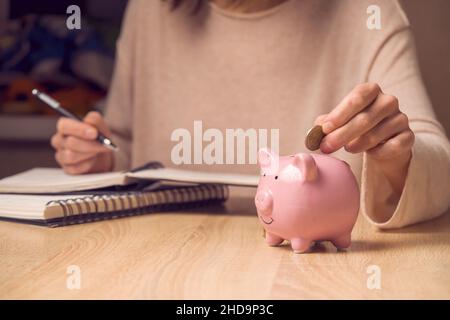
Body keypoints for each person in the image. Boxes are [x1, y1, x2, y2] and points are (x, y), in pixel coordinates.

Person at [50, 0, 450, 229]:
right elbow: (124, 144)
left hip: (315, 277)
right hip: (162, 265)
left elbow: (438, 168)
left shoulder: (367, 13)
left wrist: (398, 161)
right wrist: (101, 158)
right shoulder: (150, 11)